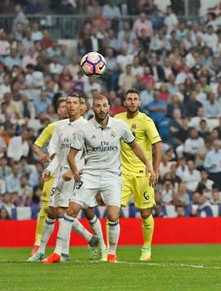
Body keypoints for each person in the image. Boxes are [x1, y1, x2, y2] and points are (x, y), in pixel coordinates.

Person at [42, 94, 157, 264]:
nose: (101, 109)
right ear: (92, 108)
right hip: (90, 175)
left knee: (113, 215)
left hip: (112, 176)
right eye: (98, 106)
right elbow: (71, 155)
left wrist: (148, 164)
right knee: (71, 210)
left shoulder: (119, 126)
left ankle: (111, 254)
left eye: (104, 105)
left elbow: (135, 147)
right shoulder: (85, 129)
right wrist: (75, 171)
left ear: (109, 107)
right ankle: (57, 253)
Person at [30, 95, 105, 262]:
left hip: (77, 175)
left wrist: (75, 171)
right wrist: (49, 169)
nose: (70, 106)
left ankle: (59, 252)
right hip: (60, 174)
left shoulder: (87, 127)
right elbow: (59, 153)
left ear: (81, 108)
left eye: (74, 103)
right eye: (68, 103)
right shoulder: (60, 126)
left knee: (66, 212)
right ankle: (43, 250)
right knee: (52, 211)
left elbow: (93, 154)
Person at [115, 89, 161, 261]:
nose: (132, 102)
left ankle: (146, 248)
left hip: (143, 173)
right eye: (129, 99)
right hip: (122, 174)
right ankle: (110, 251)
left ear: (139, 103)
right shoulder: (117, 120)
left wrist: (154, 169)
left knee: (145, 212)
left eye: (135, 99)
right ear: (124, 102)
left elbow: (158, 145)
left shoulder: (146, 121)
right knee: (113, 211)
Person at [29, 98, 66, 257]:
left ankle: (65, 248)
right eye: (62, 107)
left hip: (72, 173)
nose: (66, 109)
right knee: (46, 209)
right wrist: (42, 155)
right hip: (53, 172)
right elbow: (36, 145)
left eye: (68, 106)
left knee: (70, 210)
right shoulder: (53, 127)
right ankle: (38, 245)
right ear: (58, 111)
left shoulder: (80, 126)